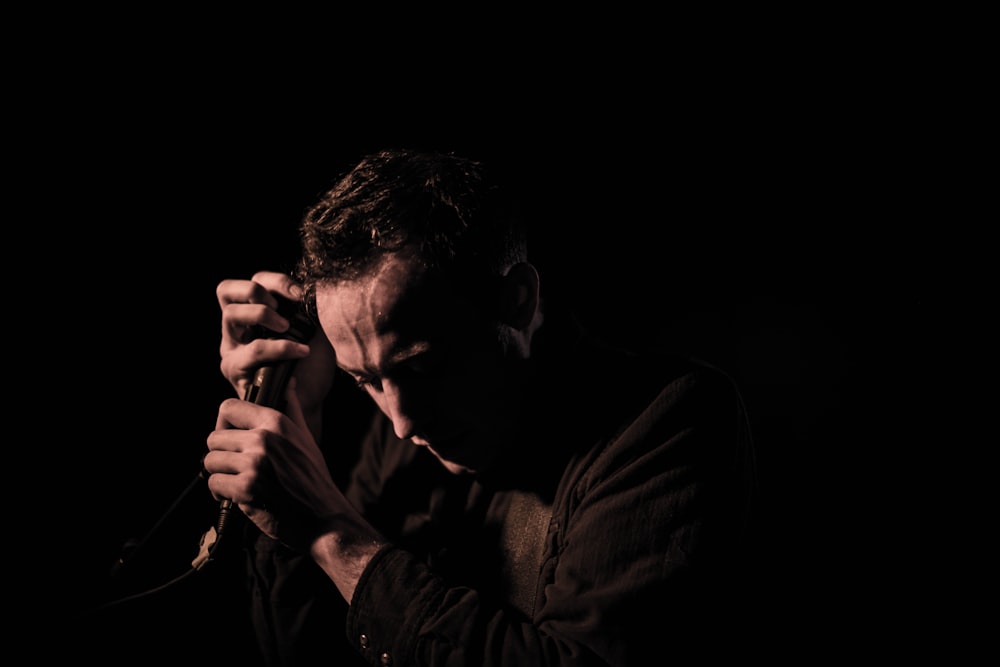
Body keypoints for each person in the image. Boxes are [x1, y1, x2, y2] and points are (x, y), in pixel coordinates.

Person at [203, 148, 758, 666]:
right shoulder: (404, 435)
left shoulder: (669, 419)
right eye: (364, 381)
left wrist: (331, 530)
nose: (401, 423)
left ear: (516, 301)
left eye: (421, 367)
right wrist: (295, 419)